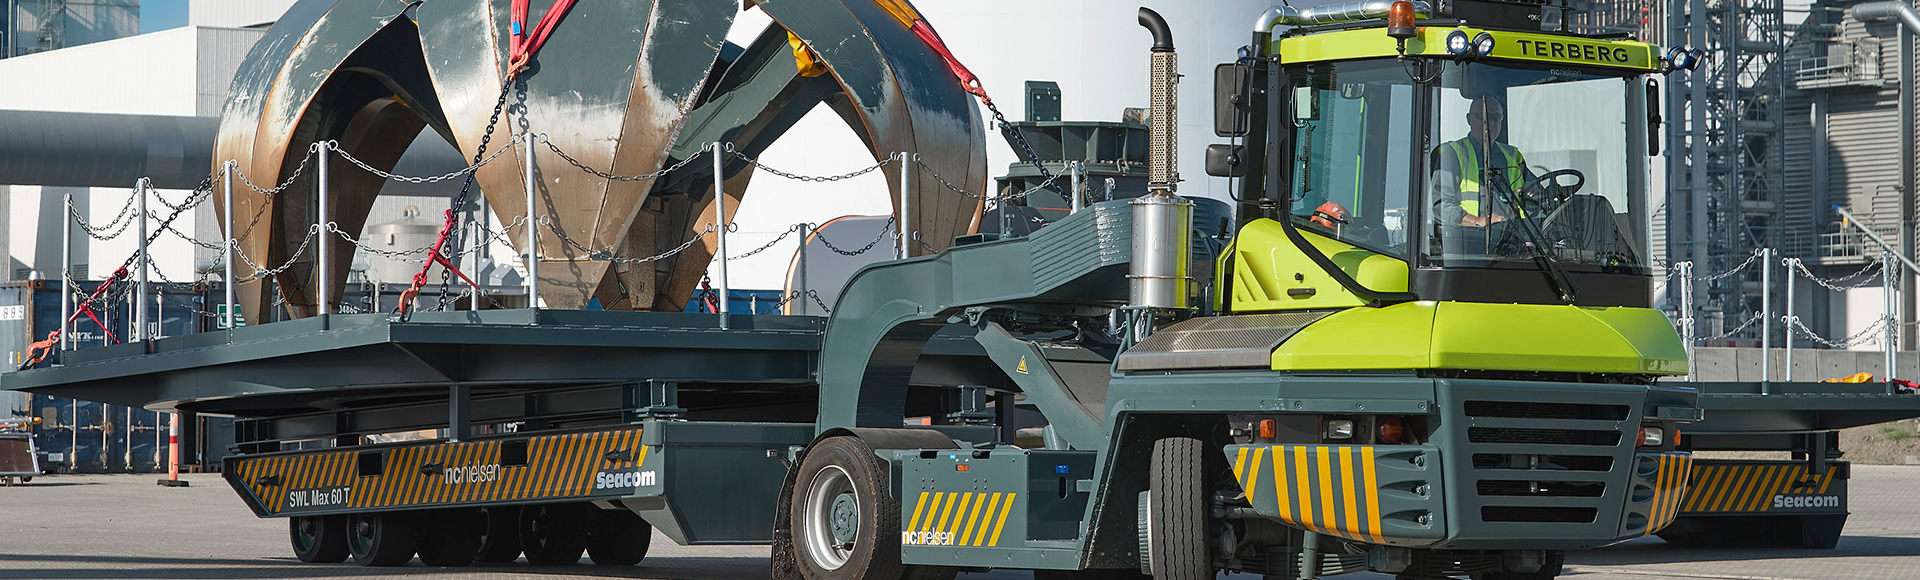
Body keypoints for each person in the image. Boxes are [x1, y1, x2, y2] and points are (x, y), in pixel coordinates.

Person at [1431, 96, 1534, 227]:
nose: (1490, 123)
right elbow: (1440, 206)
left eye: (1496, 118)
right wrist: (1477, 221)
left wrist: (1541, 192)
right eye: (1483, 117)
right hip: (1468, 242)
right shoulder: (1453, 154)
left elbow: (1535, 191)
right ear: (1469, 119)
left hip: (1512, 240)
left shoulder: (1512, 155)